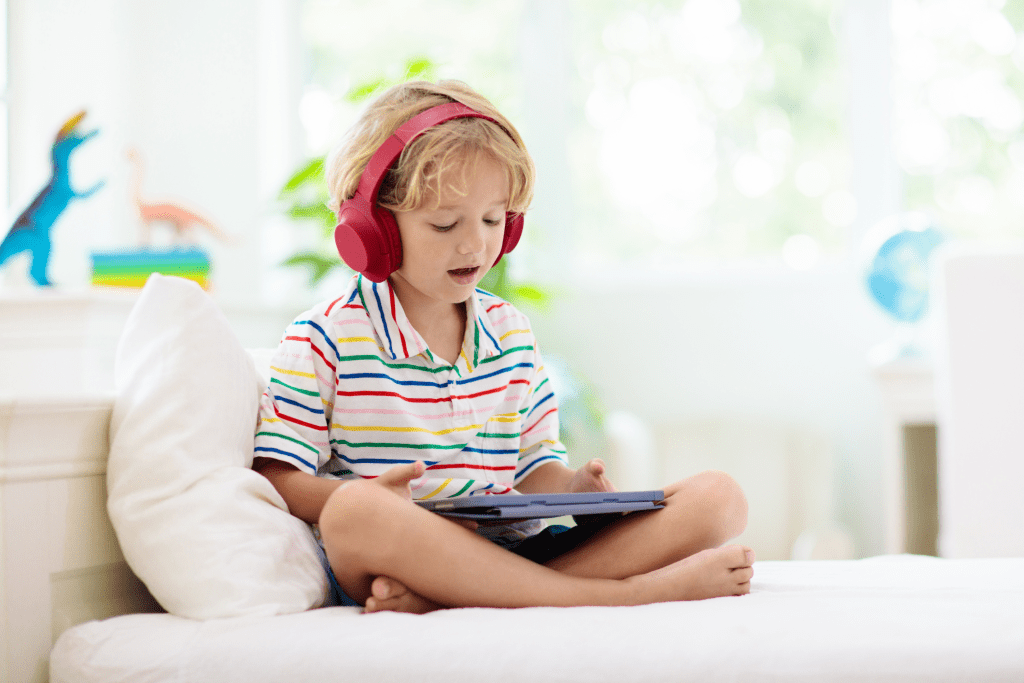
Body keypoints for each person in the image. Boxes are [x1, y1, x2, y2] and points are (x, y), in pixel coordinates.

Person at [253, 79, 753, 614]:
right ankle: (620, 594)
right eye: (445, 224)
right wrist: (375, 500)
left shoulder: (509, 331)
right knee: (354, 514)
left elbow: (534, 469)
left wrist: (573, 489)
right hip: (401, 552)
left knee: (719, 497)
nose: (476, 244)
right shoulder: (323, 338)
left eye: (493, 220)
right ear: (375, 229)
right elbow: (278, 477)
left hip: (514, 552)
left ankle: (453, 599)